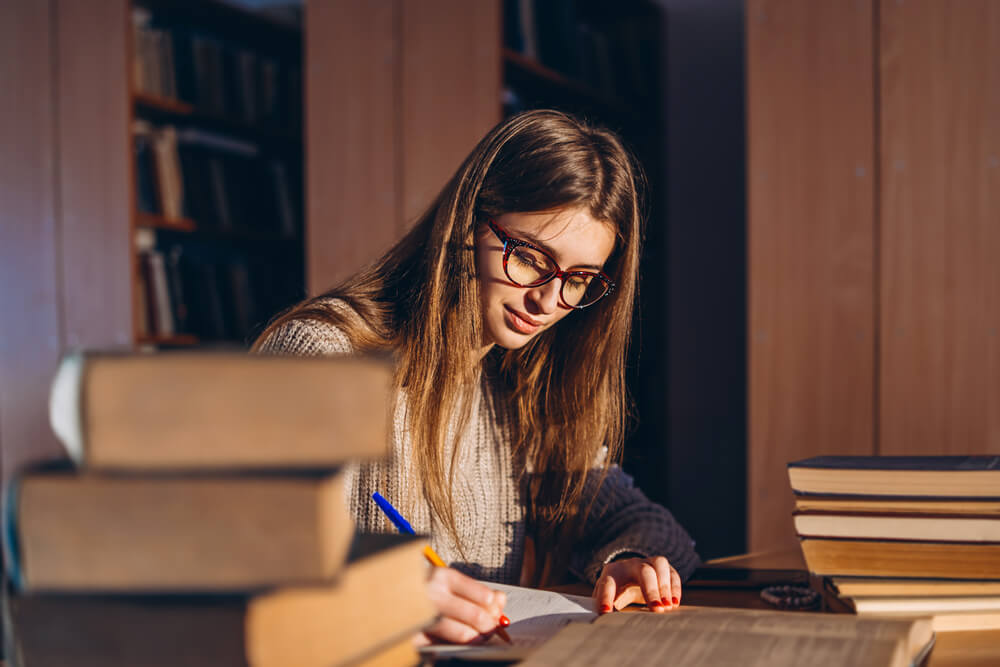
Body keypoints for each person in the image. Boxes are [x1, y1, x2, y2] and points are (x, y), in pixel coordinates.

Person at [253, 109, 699, 645]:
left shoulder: (515, 386)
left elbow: (645, 523)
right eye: (531, 257)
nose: (548, 300)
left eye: (579, 280)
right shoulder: (325, 356)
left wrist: (629, 562)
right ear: (468, 220)